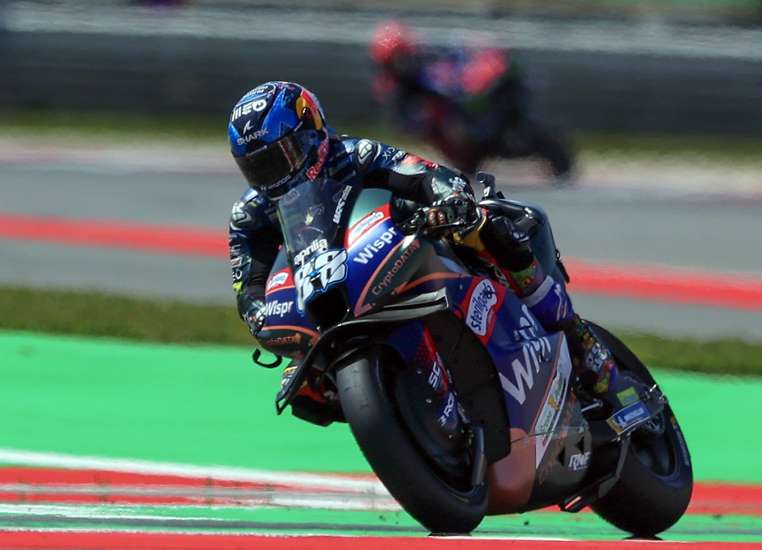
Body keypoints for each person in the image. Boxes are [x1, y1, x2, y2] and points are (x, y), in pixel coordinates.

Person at [227, 81, 636, 418]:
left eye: (283, 156)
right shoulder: (250, 215)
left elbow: (423, 173)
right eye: (259, 167)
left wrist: (448, 201)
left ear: (312, 131)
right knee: (304, 391)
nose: (274, 174)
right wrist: (258, 312)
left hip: (404, 243)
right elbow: (249, 282)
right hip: (332, 285)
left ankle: (577, 338)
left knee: (487, 226)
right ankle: (398, 410)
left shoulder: (355, 155)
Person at [370, 20, 573, 181]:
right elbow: (407, 123)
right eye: (395, 59)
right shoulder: (393, 88)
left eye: (402, 56)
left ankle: (481, 137)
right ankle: (470, 146)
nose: (402, 63)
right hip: (449, 128)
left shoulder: (429, 60)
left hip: (465, 106)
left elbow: (456, 66)